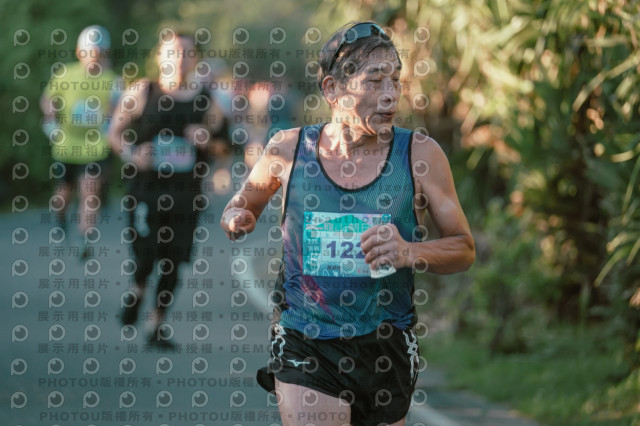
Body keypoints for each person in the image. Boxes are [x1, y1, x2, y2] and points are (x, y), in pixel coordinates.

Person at [220, 21, 475, 426]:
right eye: (374, 81)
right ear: (332, 89)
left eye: (395, 80)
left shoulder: (421, 155)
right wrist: (237, 216)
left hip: (386, 343)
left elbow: (463, 248)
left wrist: (409, 251)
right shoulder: (288, 148)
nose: (390, 94)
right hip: (305, 336)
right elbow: (242, 203)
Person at [109, 32, 224, 349]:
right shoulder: (142, 91)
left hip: (186, 195)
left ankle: (156, 325)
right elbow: (115, 133)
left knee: (174, 261)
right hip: (145, 190)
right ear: (160, 56)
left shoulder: (206, 100)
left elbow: (226, 146)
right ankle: (137, 291)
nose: (179, 59)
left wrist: (208, 140)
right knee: (146, 253)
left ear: (195, 59)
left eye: (187, 53)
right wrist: (132, 154)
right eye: (172, 52)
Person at [40, 25, 121, 258]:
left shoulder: (113, 80)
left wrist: (112, 126)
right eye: (89, 52)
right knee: (63, 194)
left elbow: (118, 110)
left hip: (95, 147)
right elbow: (48, 99)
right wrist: (51, 118)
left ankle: (83, 238)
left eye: (98, 52)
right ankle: (60, 219)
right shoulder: (65, 74)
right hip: (66, 146)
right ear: (79, 52)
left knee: (90, 192)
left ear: (105, 53)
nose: (93, 57)